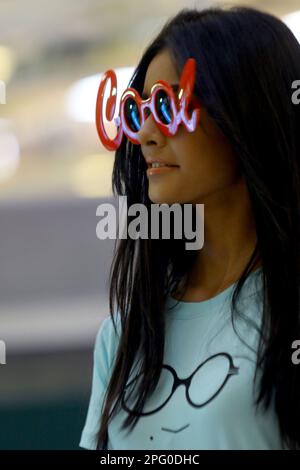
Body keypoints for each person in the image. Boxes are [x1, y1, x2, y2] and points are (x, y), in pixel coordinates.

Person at [79, 5, 300, 450]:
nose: (146, 134)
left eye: (167, 104)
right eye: (137, 110)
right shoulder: (124, 336)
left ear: (245, 111)